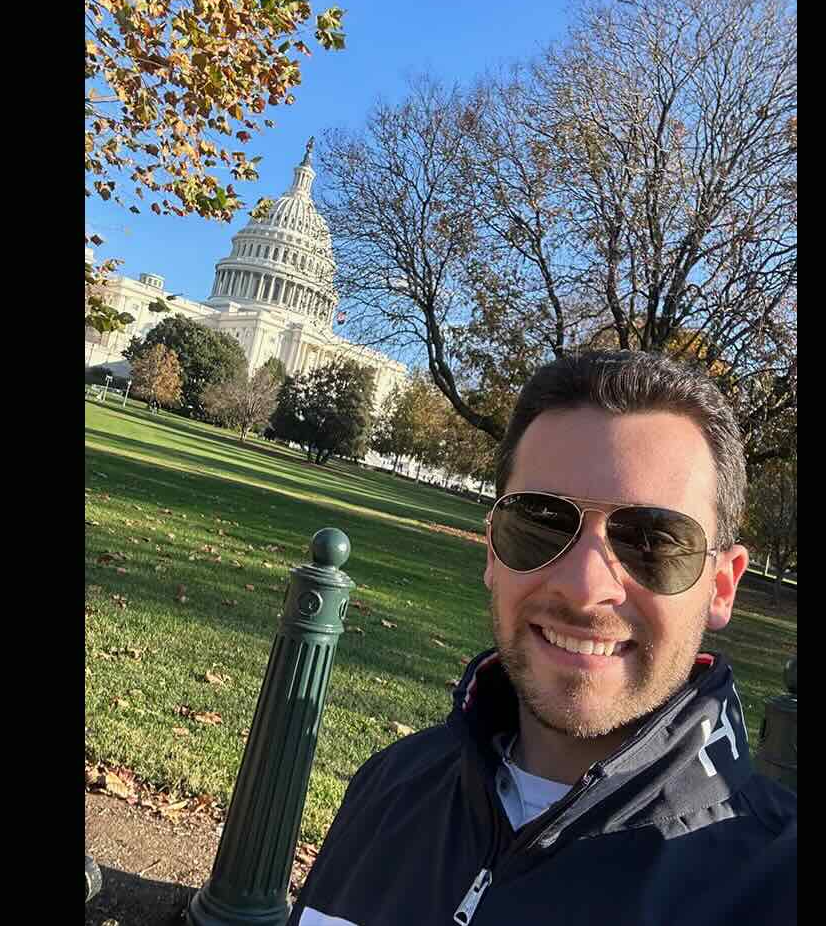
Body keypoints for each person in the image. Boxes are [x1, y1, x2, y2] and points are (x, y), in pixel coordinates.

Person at [290, 350, 796, 926]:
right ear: (491, 551)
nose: (585, 588)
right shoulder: (387, 788)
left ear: (722, 587)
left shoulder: (776, 887)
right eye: (540, 523)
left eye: (653, 541)